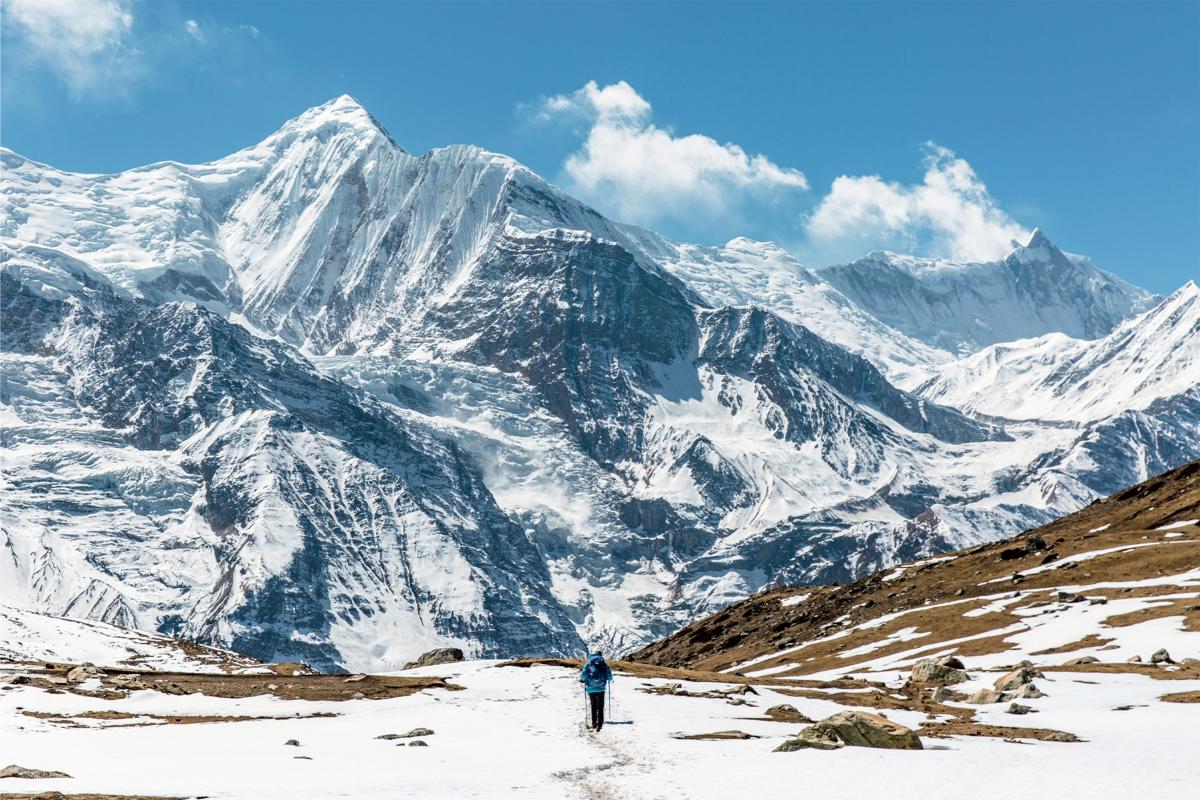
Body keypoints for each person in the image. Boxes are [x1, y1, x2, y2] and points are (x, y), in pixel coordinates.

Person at [579, 650, 613, 730]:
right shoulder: (603, 664)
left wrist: (582, 680)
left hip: (591, 688)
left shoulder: (588, 663)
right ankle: (600, 724)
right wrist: (608, 679)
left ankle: (594, 723)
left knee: (593, 705)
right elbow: (609, 676)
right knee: (600, 707)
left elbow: (583, 675)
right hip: (601, 688)